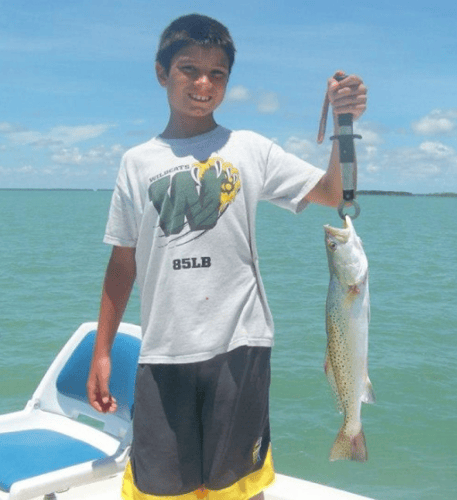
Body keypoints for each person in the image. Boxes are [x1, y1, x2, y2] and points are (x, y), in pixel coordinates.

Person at [87, 13, 367, 500]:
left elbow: (333, 191)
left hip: (241, 348)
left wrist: (343, 123)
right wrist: (103, 350)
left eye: (217, 73)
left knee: (239, 487)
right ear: (161, 72)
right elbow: (122, 263)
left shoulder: (249, 149)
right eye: (189, 69)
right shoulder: (136, 162)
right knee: (156, 489)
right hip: (163, 352)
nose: (203, 83)